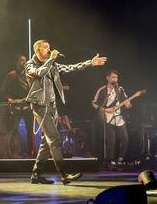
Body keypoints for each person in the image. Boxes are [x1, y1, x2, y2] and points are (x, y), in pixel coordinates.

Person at [25, 39, 107, 185]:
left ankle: (36, 174)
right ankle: (64, 174)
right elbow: (39, 73)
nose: (49, 49)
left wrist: (90, 63)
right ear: (37, 51)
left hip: (51, 106)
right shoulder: (30, 65)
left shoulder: (53, 64)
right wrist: (51, 59)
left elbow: (70, 68)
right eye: (45, 47)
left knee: (47, 141)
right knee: (55, 138)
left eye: (49, 47)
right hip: (39, 106)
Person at [92, 70, 130, 168]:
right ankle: (109, 162)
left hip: (119, 117)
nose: (115, 79)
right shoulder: (102, 90)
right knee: (111, 141)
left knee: (125, 139)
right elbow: (93, 103)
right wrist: (102, 109)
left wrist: (128, 104)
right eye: (113, 77)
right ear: (107, 78)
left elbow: (127, 102)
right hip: (107, 118)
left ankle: (120, 159)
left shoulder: (120, 89)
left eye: (116, 77)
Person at [2, 54, 34, 158]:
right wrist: (8, 99)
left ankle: (30, 153)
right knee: (13, 130)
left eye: (25, 60)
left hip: (27, 106)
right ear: (17, 62)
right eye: (21, 60)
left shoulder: (29, 75)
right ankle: (12, 152)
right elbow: (3, 90)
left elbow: (34, 90)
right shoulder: (11, 75)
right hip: (15, 106)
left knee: (30, 130)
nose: (23, 62)